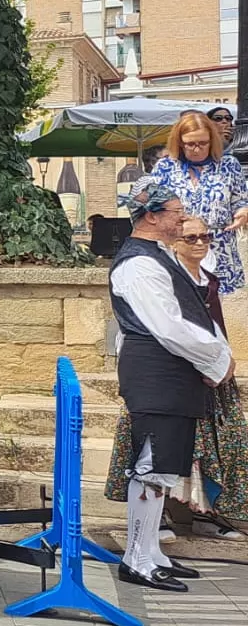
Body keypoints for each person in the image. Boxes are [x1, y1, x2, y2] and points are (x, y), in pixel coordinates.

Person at [104, 184, 234, 593]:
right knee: (150, 468)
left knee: (162, 469)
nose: (182, 217)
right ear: (152, 216)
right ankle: (137, 559)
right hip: (157, 375)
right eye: (176, 212)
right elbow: (168, 326)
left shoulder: (158, 256)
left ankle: (150, 552)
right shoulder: (139, 264)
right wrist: (217, 359)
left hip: (168, 377)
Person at [149, 111, 248, 294]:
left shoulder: (228, 165)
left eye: (203, 143)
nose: (197, 149)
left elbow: (240, 200)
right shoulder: (165, 167)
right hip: (180, 249)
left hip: (220, 249)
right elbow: (152, 206)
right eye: (190, 144)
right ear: (179, 143)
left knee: (215, 313)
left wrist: (242, 212)